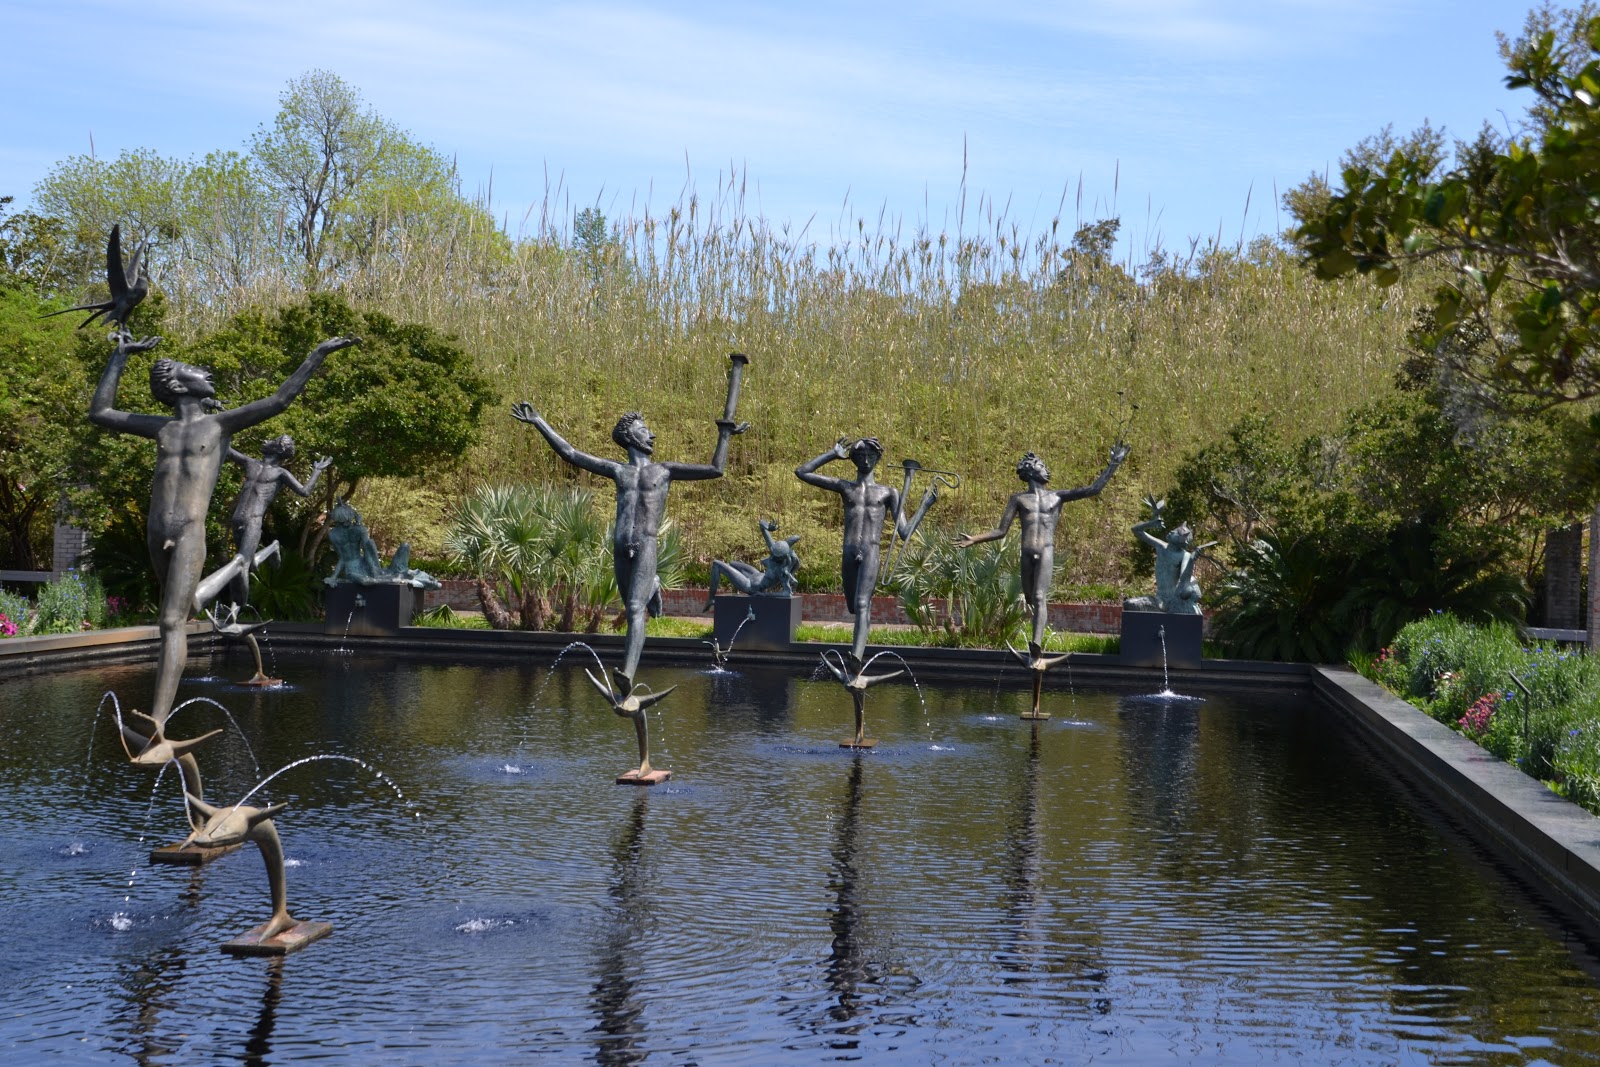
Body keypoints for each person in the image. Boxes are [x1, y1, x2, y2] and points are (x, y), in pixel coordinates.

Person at [89, 330, 358, 724]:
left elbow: (279, 400)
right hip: (155, 531)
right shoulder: (160, 428)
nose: (206, 371)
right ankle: (233, 569)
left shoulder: (219, 426)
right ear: (178, 384)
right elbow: (100, 413)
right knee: (181, 610)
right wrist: (120, 357)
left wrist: (317, 354)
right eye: (194, 369)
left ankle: (158, 723)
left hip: (188, 533)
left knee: (170, 623)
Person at [511, 390, 747, 696]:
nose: (652, 433)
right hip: (620, 545)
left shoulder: (664, 471)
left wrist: (724, 435)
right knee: (630, 603)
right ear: (630, 436)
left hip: (646, 545)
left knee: (635, 610)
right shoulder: (617, 470)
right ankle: (653, 585)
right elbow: (570, 453)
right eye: (644, 428)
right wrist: (539, 421)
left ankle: (627, 674)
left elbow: (715, 469)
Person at [956, 441, 1129, 651]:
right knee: (1029, 597)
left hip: (1046, 550)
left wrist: (1114, 464)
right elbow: (1001, 531)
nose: (1047, 469)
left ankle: (1036, 644)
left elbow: (1094, 489)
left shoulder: (1058, 496)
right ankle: (1034, 635)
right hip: (1026, 553)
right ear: (1030, 471)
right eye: (1041, 465)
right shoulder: (1018, 499)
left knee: (1039, 597)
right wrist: (975, 538)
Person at [795, 436, 938, 668]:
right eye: (860, 456)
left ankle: (856, 657)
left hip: (870, 551)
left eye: (871, 456)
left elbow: (904, 531)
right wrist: (832, 454)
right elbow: (802, 472)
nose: (866, 460)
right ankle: (860, 638)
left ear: (878, 458)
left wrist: (924, 506)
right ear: (853, 460)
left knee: (862, 603)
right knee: (854, 606)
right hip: (849, 551)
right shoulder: (845, 486)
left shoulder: (889, 492)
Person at [223, 435, 330, 611]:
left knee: (240, 564)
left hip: (253, 521)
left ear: (279, 449)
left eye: (274, 440)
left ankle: (235, 611)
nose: (267, 440)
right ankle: (272, 548)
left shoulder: (281, 474)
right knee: (245, 566)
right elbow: (226, 450)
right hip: (237, 520)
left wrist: (317, 471)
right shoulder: (251, 463)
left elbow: (304, 491)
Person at [1122, 497, 1215, 615]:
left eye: (1176, 533)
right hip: (1159, 599)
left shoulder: (1184, 555)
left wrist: (1192, 560)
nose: (1171, 532)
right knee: (1130, 604)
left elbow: (1184, 582)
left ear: (1182, 540)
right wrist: (1151, 524)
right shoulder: (1161, 546)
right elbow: (1136, 530)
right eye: (1173, 530)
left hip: (1174, 600)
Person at [704, 518, 802, 608]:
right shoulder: (776, 550)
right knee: (732, 563)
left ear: (781, 558)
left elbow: (786, 593)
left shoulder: (782, 571)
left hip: (751, 586)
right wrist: (768, 527)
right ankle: (735, 593)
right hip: (756, 574)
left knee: (716, 564)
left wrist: (764, 594)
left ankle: (711, 599)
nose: (771, 555)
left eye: (774, 555)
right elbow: (761, 524)